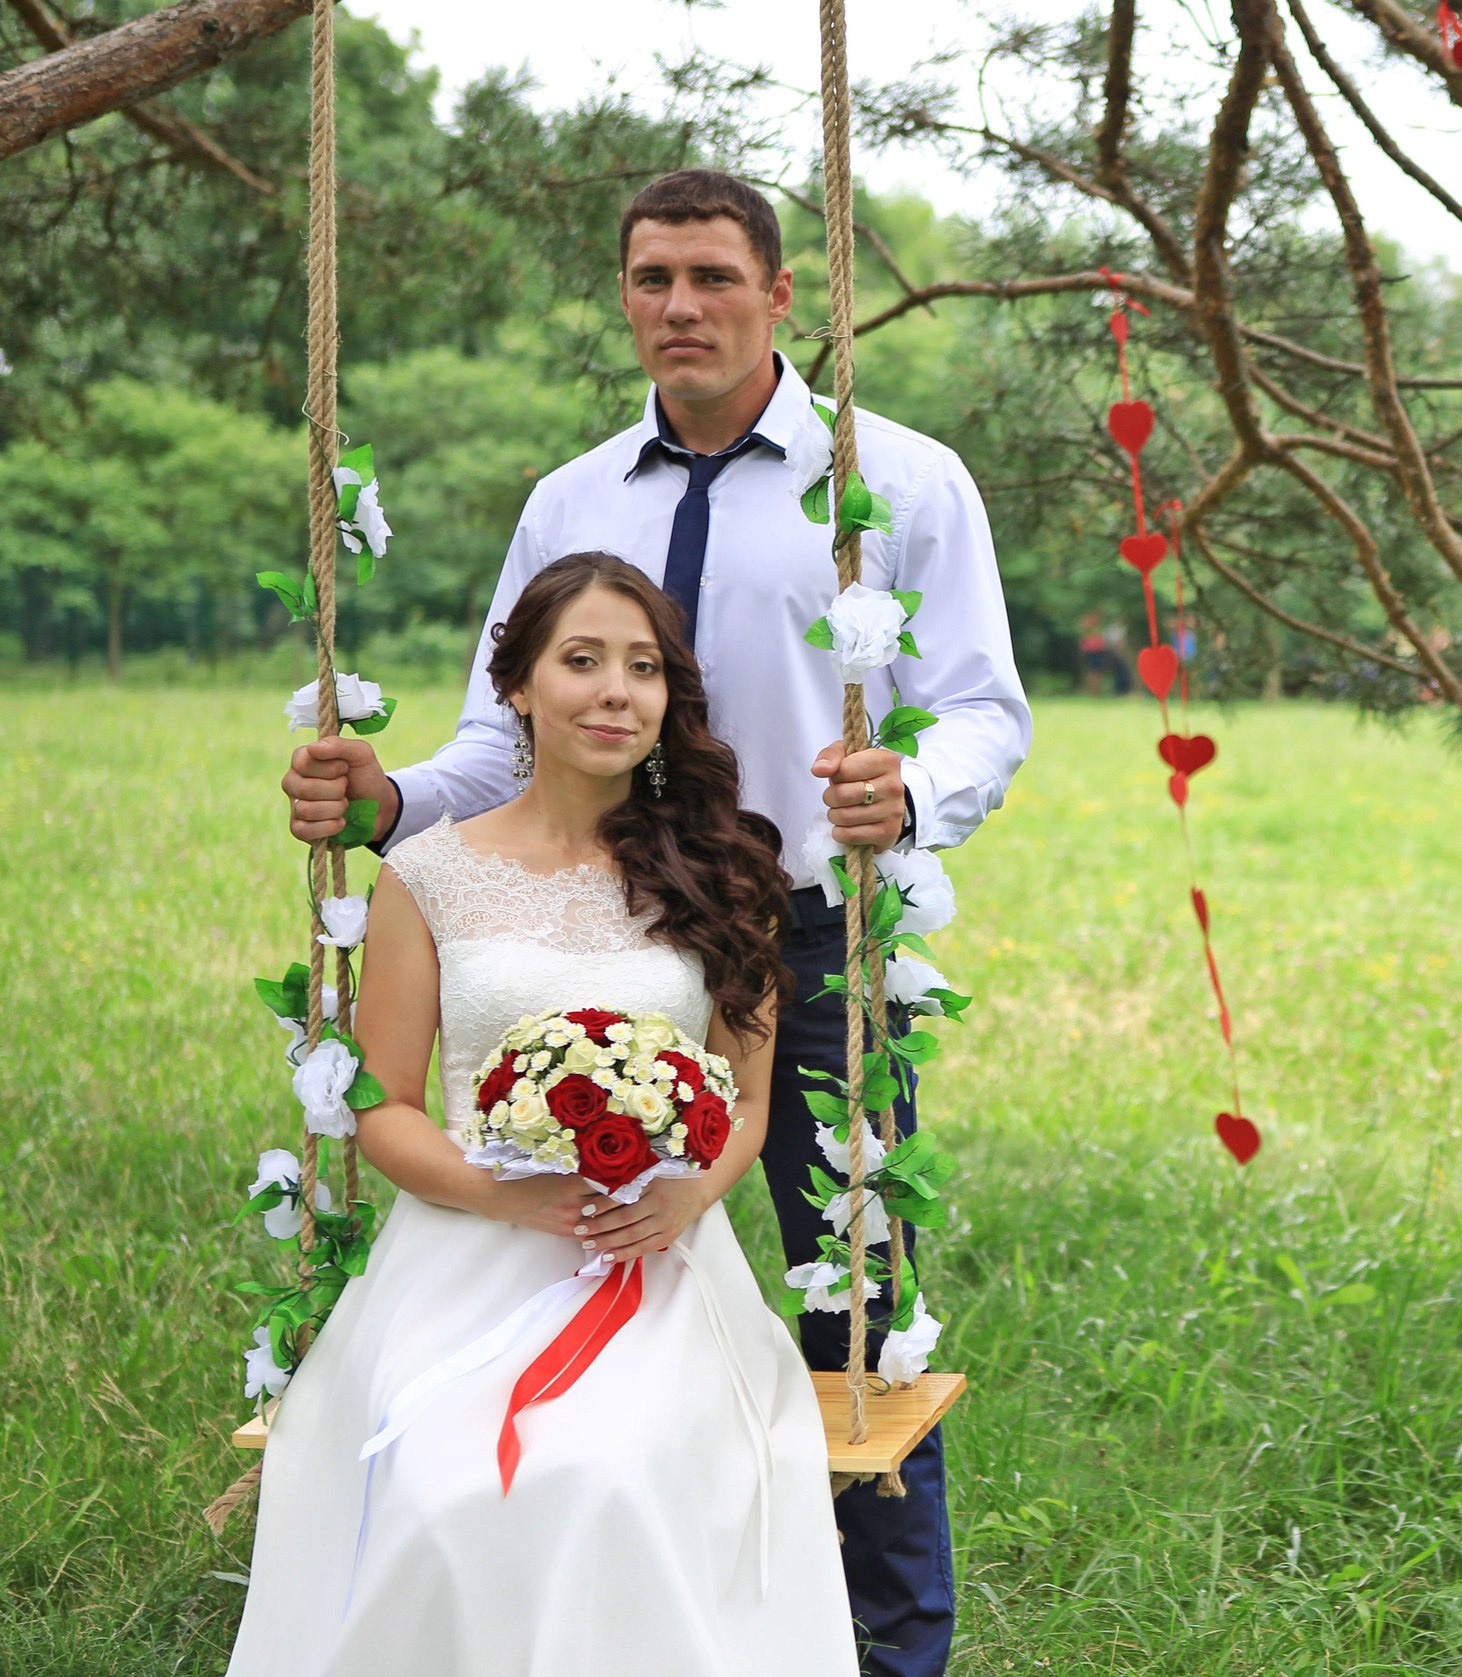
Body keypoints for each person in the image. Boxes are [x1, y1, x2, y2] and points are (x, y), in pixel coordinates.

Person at [277, 169, 1030, 1676]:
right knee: (578, 1276)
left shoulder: (894, 481)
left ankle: (889, 1648)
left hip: (791, 936)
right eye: (650, 280)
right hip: (565, 928)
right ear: (624, 296)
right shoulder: (573, 496)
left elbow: (983, 714)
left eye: (710, 276)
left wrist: (909, 791)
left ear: (780, 293)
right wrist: (385, 802)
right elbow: (508, 739)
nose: (679, 306)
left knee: (853, 1307)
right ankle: (550, 1591)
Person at [232, 554, 859, 1673]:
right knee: (446, 1483)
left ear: (671, 699)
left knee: (609, 1471)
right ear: (516, 685)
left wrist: (684, 1196)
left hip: (656, 1259)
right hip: (465, 1251)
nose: (616, 692)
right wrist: (507, 1192)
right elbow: (383, 1107)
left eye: (643, 668)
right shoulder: (425, 877)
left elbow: (750, 1103)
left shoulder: (723, 874)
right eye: (580, 661)